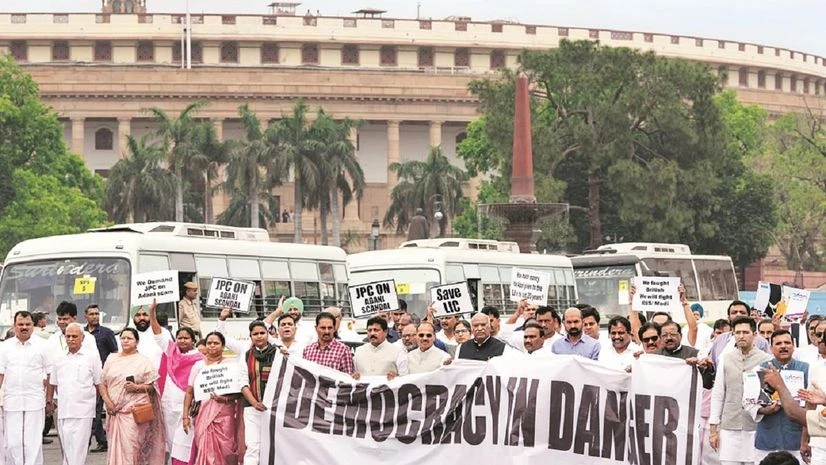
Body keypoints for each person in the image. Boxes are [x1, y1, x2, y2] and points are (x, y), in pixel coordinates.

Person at [709, 317, 772, 465]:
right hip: (729, 426)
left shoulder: (767, 360)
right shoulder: (725, 358)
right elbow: (718, 394)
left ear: (755, 334)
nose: (741, 336)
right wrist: (713, 429)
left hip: (755, 426)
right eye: (737, 332)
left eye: (745, 332)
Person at [99, 328, 166, 465]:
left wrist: (137, 388)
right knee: (115, 448)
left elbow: (152, 388)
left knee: (131, 448)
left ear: (137, 342)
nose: (125, 341)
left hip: (133, 413)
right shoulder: (112, 359)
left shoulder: (143, 361)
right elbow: (102, 382)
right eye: (123, 338)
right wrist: (107, 401)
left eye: (129, 338)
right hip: (114, 412)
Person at [148, 299, 203, 465]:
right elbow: (157, 331)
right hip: (168, 406)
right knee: (172, 444)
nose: (182, 340)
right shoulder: (171, 351)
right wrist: (152, 312)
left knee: (186, 444)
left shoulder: (200, 359)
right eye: (179, 337)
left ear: (193, 341)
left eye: (186, 338)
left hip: (187, 408)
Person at [183, 332, 243, 465]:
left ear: (223, 346)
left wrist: (225, 400)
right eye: (209, 343)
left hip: (225, 414)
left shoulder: (231, 365)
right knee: (206, 449)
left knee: (227, 450)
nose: (212, 346)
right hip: (203, 414)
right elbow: (189, 392)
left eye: (216, 343)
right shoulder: (198, 366)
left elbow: (240, 392)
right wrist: (185, 416)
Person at [749, 329, 808, 465]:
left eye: (787, 343)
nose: (783, 346)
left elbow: (811, 405)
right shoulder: (760, 370)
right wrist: (764, 410)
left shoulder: (806, 369)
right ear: (771, 348)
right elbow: (748, 403)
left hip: (796, 439)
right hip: (768, 438)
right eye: (778, 343)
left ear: (794, 346)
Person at [0, 311, 51, 465]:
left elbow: (50, 374)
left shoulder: (43, 345)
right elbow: (1, 373)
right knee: (13, 443)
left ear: (33, 326)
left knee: (32, 444)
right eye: (20, 324)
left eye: (27, 324)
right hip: (12, 400)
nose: (24, 327)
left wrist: (49, 399)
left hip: (34, 401)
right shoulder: (5, 347)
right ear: (14, 326)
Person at [46, 323, 100, 465]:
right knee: (67, 450)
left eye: (74, 336)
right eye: (68, 336)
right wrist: (49, 401)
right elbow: (53, 382)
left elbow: (99, 383)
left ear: (82, 338)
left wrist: (95, 403)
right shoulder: (59, 357)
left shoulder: (92, 357)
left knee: (78, 450)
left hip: (84, 411)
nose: (71, 339)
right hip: (64, 410)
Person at [240, 321, 280, 465]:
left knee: (275, 446)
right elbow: (243, 383)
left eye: (262, 333)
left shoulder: (279, 353)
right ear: (250, 336)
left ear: (268, 334)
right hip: (252, 408)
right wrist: (255, 403)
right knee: (253, 446)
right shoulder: (246, 356)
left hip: (275, 408)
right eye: (255, 334)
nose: (259, 336)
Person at [85, 304, 118, 453]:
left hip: (104, 375)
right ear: (85, 316)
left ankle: (86, 440)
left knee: (98, 409)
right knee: (92, 408)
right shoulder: (82, 333)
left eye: (97, 314)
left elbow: (115, 353)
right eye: (91, 314)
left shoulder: (106, 333)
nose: (95, 317)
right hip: (86, 375)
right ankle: (102, 440)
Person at [353, 316, 406, 380]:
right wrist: (355, 376)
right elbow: (353, 374)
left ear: (385, 332)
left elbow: (404, 378)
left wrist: (396, 377)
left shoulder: (397, 351)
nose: (372, 333)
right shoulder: (359, 351)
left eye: (376, 330)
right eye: (369, 330)